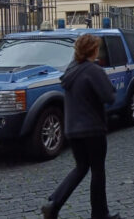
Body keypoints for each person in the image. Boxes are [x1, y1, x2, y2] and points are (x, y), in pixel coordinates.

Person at [42, 34, 119, 219]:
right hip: (92, 127)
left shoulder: (71, 69)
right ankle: (100, 214)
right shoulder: (93, 70)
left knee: (81, 167)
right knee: (97, 171)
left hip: (72, 128)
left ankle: (54, 203)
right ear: (93, 50)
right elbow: (109, 97)